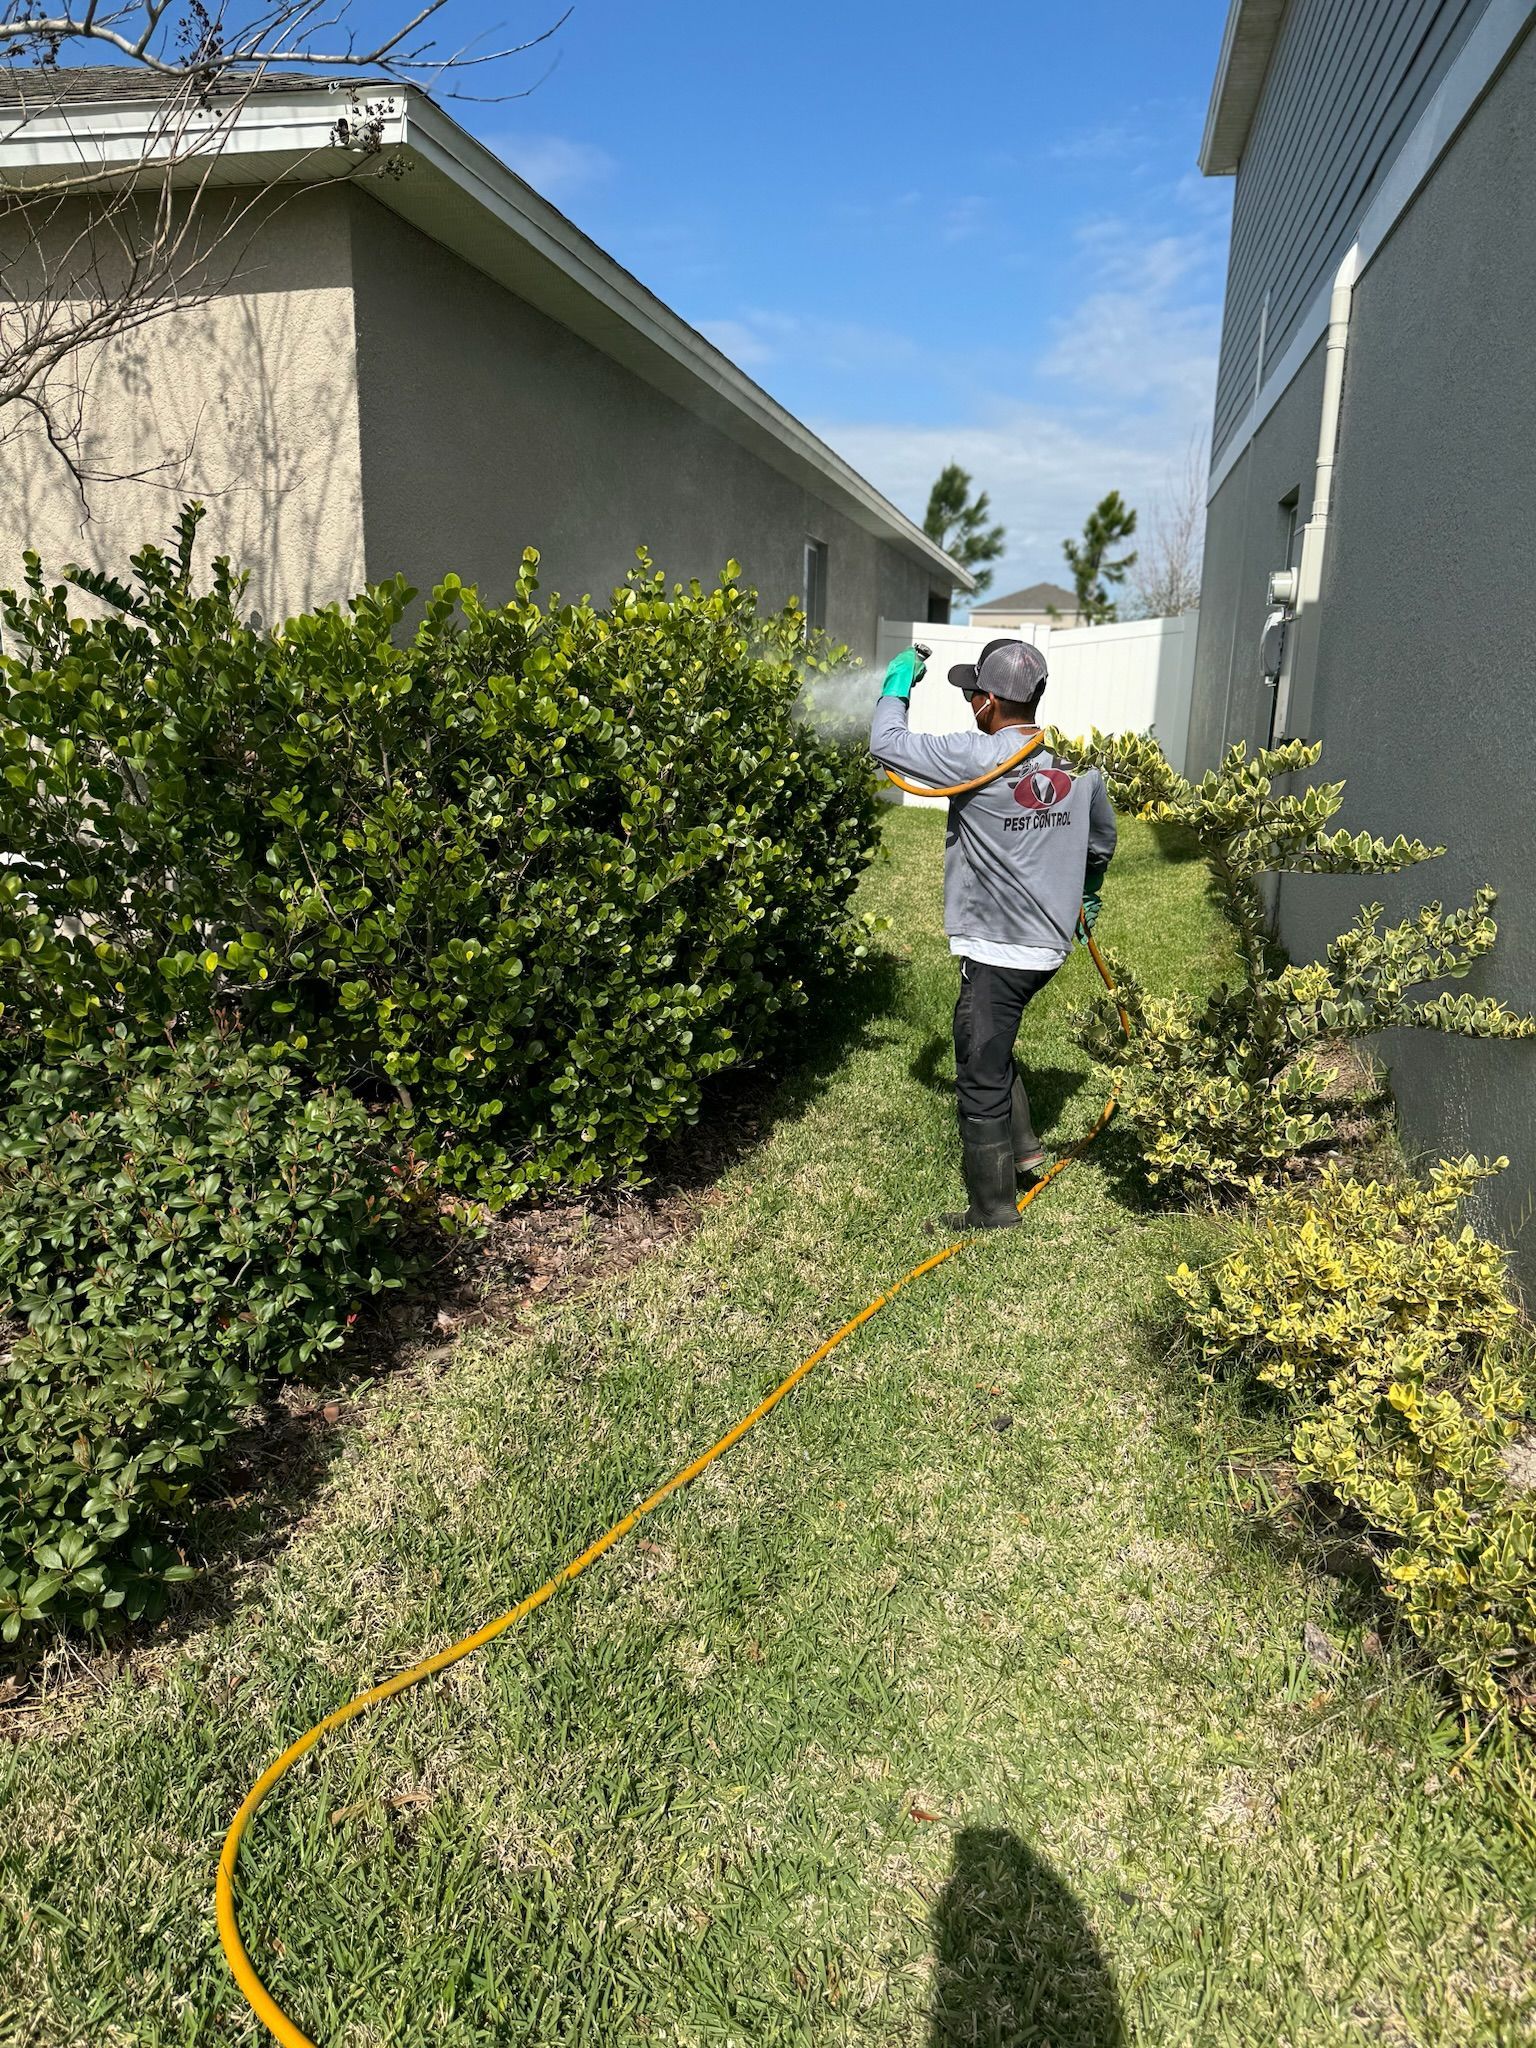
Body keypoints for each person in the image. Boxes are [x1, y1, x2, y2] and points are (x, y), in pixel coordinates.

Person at [869, 638, 1116, 1231]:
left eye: (971, 694)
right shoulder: (1075, 767)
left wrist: (896, 686)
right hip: (1048, 947)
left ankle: (993, 1210)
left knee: (979, 1064)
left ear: (990, 702)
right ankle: (1026, 1150)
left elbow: (886, 744)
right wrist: (1086, 891)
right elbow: (1100, 841)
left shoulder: (974, 755)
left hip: (999, 950)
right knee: (991, 1036)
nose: (968, 703)